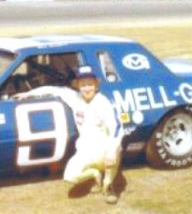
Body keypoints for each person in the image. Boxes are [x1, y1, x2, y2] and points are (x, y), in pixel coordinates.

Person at [14, 65, 123, 204]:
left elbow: (117, 127)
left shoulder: (104, 103)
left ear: (96, 84)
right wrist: (28, 94)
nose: (87, 88)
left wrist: (112, 151)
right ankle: (95, 174)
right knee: (69, 177)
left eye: (90, 84)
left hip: (105, 149)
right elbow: (53, 90)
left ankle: (109, 186)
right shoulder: (74, 97)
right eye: (83, 84)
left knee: (113, 153)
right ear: (78, 85)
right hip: (85, 149)